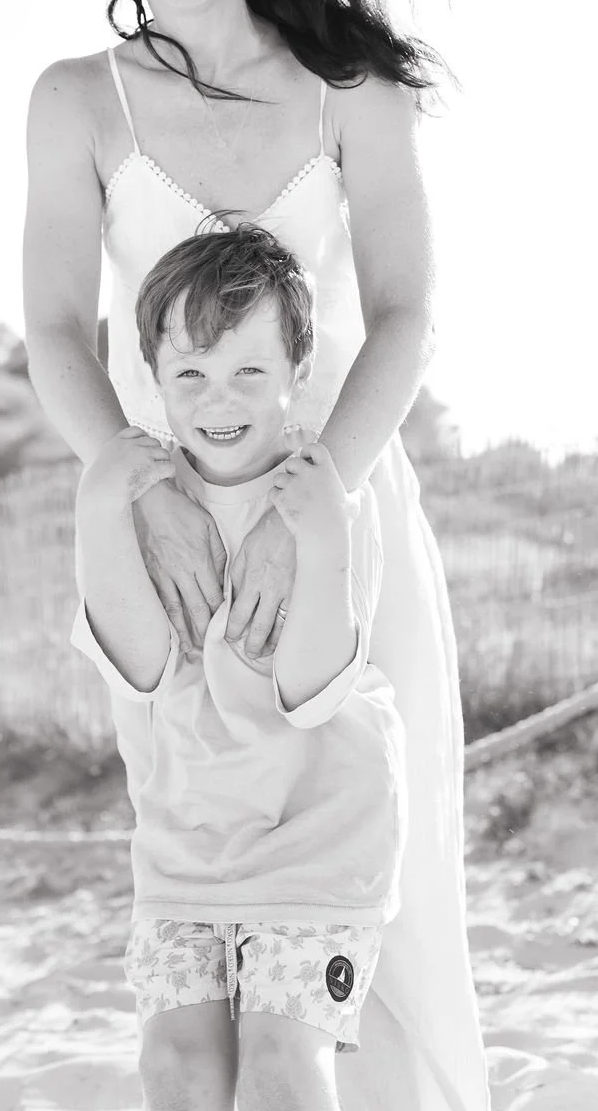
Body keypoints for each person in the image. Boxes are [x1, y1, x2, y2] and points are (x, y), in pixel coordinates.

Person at [23, 0, 490, 1110]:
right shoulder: (75, 104)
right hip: (159, 508)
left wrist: (321, 494)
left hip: (343, 500)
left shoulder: (354, 89)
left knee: (391, 859)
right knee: (207, 842)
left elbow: (404, 311)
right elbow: (58, 329)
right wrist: (124, 471)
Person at [72, 224, 407, 1110]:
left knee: (279, 1067)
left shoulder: (332, 492)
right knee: (177, 1068)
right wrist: (98, 510)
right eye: (190, 374)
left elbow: (310, 696)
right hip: (185, 839)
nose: (219, 399)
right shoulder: (144, 497)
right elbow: (140, 669)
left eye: (249, 372)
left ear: (299, 371)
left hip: (318, 837)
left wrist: (322, 535)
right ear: (153, 379)